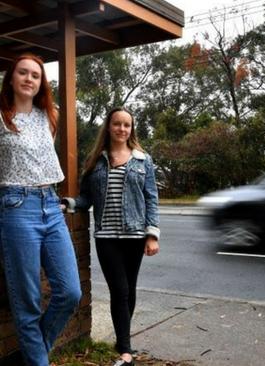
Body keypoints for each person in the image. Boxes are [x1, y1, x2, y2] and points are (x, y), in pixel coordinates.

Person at [0, 53, 82, 366]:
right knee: (28, 304)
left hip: (51, 204)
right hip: (15, 207)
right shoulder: (0, 116)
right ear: (11, 77)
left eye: (36, 75)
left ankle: (30, 356)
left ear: (41, 83)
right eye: (23, 73)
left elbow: (43, 161)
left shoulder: (51, 115)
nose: (29, 79)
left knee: (70, 292)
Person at [62, 107, 160, 366]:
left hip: (135, 235)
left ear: (131, 129)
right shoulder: (95, 161)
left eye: (127, 125)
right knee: (120, 290)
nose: (122, 129)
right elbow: (85, 199)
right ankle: (127, 352)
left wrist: (152, 235)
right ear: (108, 127)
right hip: (106, 236)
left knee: (129, 289)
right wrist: (68, 204)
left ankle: (122, 341)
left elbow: (151, 198)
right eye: (117, 124)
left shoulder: (143, 160)